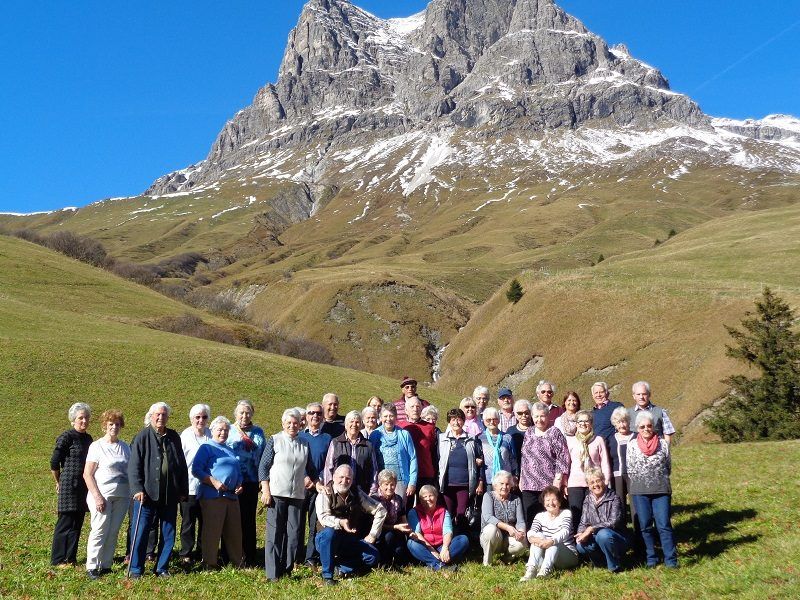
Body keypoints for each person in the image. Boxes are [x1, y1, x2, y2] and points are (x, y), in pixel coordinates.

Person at [128, 402, 189, 578]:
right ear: (151, 416)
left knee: (168, 532)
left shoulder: (174, 437)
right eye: (157, 414)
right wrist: (137, 489)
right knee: (141, 531)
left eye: (164, 414)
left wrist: (183, 489)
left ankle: (162, 567)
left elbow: (181, 465)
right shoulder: (142, 437)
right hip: (146, 494)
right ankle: (135, 568)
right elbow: (133, 467)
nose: (161, 417)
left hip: (170, 495)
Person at [259, 408, 317, 580]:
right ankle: (272, 573)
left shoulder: (304, 444)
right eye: (288, 423)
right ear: (283, 424)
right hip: (276, 494)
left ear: (300, 424)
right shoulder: (275, 440)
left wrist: (320, 483)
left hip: (297, 495)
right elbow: (263, 467)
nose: (292, 426)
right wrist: (265, 490)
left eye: (295, 423)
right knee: (275, 533)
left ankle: (287, 568)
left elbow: (311, 469)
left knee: (293, 534)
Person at [315, 464, 385, 585]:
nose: (344, 481)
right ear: (334, 477)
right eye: (341, 477)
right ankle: (327, 576)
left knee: (373, 556)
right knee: (330, 533)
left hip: (347, 540)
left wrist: (373, 534)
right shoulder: (325, 492)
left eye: (348, 478)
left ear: (352, 480)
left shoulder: (356, 492)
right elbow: (323, 518)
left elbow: (380, 509)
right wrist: (340, 522)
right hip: (326, 539)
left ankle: (341, 568)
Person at [627, 410, 677, 568]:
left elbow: (668, 465)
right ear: (637, 428)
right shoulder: (632, 445)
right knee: (645, 525)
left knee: (663, 525)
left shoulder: (663, 443)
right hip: (640, 491)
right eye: (642, 427)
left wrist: (658, 478)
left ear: (654, 427)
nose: (646, 429)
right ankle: (651, 558)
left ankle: (671, 560)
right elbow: (630, 468)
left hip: (661, 489)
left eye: (649, 426)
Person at [192, 416, 243, 570]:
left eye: (226, 430)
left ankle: (237, 562)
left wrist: (240, 483)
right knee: (212, 531)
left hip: (232, 496)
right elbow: (196, 469)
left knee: (234, 531)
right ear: (212, 430)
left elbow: (238, 471)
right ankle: (209, 563)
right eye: (220, 429)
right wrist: (213, 481)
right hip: (212, 496)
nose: (223, 432)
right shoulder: (206, 447)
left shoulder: (230, 449)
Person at [83, 409, 129, 579]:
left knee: (113, 530)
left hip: (122, 496)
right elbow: (87, 474)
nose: (114, 427)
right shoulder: (97, 446)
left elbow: (130, 471)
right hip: (102, 495)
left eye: (117, 424)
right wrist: (97, 497)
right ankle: (93, 565)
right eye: (111, 424)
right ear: (104, 426)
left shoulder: (125, 447)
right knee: (100, 529)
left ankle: (106, 564)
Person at [50, 402, 93, 568]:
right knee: (65, 523)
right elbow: (54, 462)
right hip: (68, 486)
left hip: (83, 486)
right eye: (80, 418)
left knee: (77, 523)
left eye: (86, 418)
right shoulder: (66, 437)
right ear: (73, 420)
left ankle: (71, 558)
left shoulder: (88, 439)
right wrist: (58, 481)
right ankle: (58, 559)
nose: (84, 421)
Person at [226, 398, 265, 567]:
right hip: (233, 482)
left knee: (248, 520)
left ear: (252, 414)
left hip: (251, 482)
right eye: (241, 412)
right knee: (232, 519)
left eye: (248, 412)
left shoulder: (258, 432)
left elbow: (263, 456)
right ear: (236, 414)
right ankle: (230, 555)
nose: (244, 415)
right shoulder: (229, 430)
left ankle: (249, 555)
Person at [518, 402, 570, 527]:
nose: (539, 419)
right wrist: (521, 478)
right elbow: (524, 456)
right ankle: (534, 541)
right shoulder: (529, 432)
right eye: (536, 416)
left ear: (548, 416)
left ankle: (550, 540)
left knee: (549, 513)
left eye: (542, 416)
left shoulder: (554, 432)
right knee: (531, 514)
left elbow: (563, 457)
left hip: (548, 482)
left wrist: (558, 480)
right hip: (528, 482)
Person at [437, 408, 484, 531]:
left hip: (464, 484)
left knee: (461, 513)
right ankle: (448, 540)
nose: (456, 422)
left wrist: (479, 479)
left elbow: (480, 460)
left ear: (463, 421)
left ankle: (462, 539)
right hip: (447, 484)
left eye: (459, 419)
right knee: (448, 514)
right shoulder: (441, 439)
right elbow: (437, 459)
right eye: (453, 419)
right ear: (449, 421)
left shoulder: (472, 439)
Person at [574, 468, 629, 573]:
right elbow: (583, 521)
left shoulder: (614, 497)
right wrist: (580, 534)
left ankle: (615, 566)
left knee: (603, 535)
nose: (596, 485)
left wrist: (591, 529)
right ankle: (600, 563)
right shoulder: (588, 499)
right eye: (592, 482)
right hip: (596, 536)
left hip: (617, 537)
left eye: (598, 480)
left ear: (603, 481)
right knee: (580, 545)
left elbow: (614, 521)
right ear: (589, 486)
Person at [298, 401, 332, 567]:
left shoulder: (327, 439)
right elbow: (297, 461)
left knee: (314, 523)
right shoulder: (299, 436)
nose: (315, 416)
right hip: (299, 487)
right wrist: (305, 477)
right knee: (296, 523)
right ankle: (296, 555)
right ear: (306, 415)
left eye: (319, 413)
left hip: (319, 488)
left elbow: (328, 463)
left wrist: (317, 480)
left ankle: (310, 557)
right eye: (312, 413)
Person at [520, 486, 579, 580]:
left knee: (555, 542)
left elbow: (565, 531)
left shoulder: (566, 513)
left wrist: (551, 540)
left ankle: (545, 571)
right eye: (547, 500)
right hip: (548, 554)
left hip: (567, 555)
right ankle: (531, 570)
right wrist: (533, 538)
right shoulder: (540, 516)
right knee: (538, 535)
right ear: (544, 503)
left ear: (559, 502)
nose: (550, 503)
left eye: (554, 500)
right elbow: (531, 532)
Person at [565, 410, 611, 532]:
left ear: (591, 423)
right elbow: (566, 464)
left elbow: (604, 462)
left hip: (594, 483)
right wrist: (564, 482)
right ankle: (577, 544)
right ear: (576, 423)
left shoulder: (598, 440)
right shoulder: (570, 441)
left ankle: (594, 544)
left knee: (594, 514)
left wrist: (605, 481)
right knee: (577, 515)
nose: (583, 424)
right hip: (575, 483)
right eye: (580, 421)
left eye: (586, 421)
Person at [406, 485, 469, 571]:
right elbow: (417, 534)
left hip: (441, 545)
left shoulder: (443, 511)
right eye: (425, 497)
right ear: (420, 500)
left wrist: (445, 548)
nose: (428, 499)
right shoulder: (414, 512)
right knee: (411, 544)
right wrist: (431, 550)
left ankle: (432, 563)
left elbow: (448, 531)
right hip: (425, 547)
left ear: (436, 497)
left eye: (431, 495)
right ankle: (441, 565)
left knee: (463, 539)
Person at [178, 403, 211, 567]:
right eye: (197, 417)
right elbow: (179, 462)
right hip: (189, 486)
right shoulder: (185, 436)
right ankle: (186, 553)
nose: (201, 420)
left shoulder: (211, 434)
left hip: (208, 488)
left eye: (204, 417)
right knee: (188, 522)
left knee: (205, 522)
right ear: (191, 419)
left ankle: (202, 552)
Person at [324, 411, 380, 495]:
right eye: (351, 422)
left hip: (361, 491)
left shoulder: (368, 445)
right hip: (339, 491)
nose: (354, 425)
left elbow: (374, 470)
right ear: (346, 425)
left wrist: (372, 491)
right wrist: (330, 488)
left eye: (357, 422)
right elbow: (328, 468)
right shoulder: (335, 442)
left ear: (361, 425)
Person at [370, 405, 418, 501]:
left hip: (400, 481)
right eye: (385, 416)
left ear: (396, 417)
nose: (388, 419)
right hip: (381, 481)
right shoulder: (375, 435)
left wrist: (412, 482)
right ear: (380, 417)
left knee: (399, 510)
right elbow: (371, 459)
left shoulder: (404, 434)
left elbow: (413, 458)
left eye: (391, 416)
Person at [479, 471, 526, 566]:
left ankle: (505, 560)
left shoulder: (516, 499)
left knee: (522, 543)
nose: (504, 487)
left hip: (508, 538)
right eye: (501, 484)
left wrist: (521, 532)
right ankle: (487, 563)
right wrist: (508, 527)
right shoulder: (488, 496)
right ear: (495, 485)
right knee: (491, 529)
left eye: (507, 484)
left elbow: (520, 521)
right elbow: (488, 517)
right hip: (492, 537)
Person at [370, 469, 412, 566]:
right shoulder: (374, 499)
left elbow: (403, 518)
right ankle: (384, 563)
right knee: (389, 536)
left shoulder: (398, 499)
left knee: (400, 551)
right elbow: (372, 524)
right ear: (380, 485)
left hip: (395, 529)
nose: (390, 487)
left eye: (392, 484)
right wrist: (395, 527)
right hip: (378, 531)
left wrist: (410, 532)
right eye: (386, 484)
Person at [398, 396, 439, 491]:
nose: (415, 409)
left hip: (425, 472)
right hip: (406, 473)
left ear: (421, 409)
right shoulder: (400, 427)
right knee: (406, 504)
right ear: (406, 410)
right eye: (412, 407)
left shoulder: (430, 427)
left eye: (418, 406)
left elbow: (433, 450)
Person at [477, 408, 516, 489]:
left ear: (498, 421)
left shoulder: (507, 437)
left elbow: (513, 458)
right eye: (488, 420)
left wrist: (515, 476)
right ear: (484, 421)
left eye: (495, 419)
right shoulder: (479, 438)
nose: (492, 422)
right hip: (488, 480)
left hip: (505, 480)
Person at [609, 406, 635, 523]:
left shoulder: (636, 437)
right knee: (620, 506)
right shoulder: (610, 439)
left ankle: (639, 535)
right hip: (617, 476)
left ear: (628, 421)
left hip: (634, 475)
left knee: (636, 505)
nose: (622, 425)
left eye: (624, 421)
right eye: (619, 422)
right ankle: (623, 534)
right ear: (615, 424)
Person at [590, 382, 625, 452]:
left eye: (601, 392)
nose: (598, 395)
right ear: (593, 396)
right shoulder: (591, 413)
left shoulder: (616, 407)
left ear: (607, 393)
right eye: (596, 393)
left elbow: (624, 426)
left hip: (614, 449)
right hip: (598, 451)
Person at [506, 400, 532, 477]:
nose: (523, 415)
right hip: (516, 472)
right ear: (515, 414)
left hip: (534, 471)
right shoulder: (510, 431)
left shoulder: (536, 429)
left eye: (526, 413)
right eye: (520, 413)